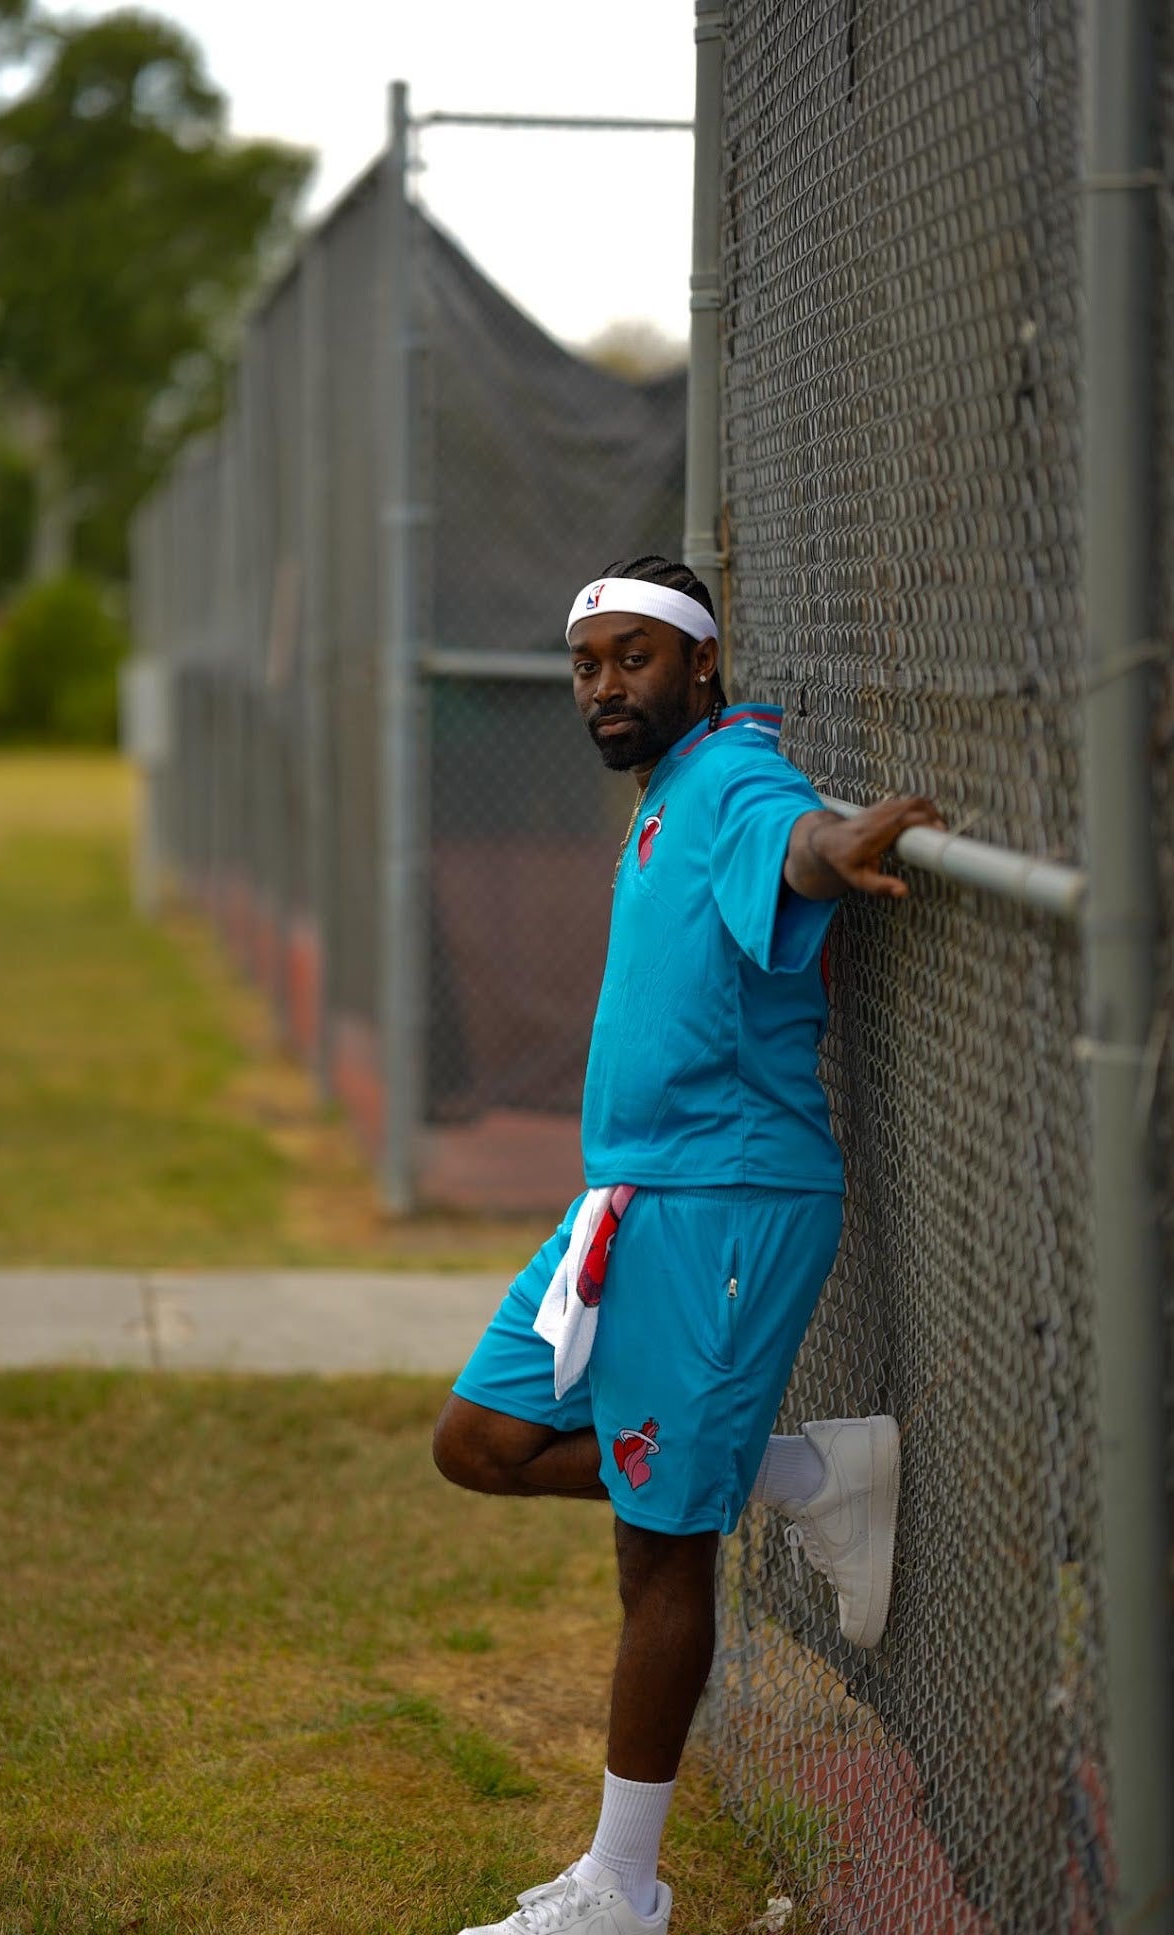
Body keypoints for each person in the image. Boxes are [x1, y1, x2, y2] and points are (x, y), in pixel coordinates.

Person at [432, 557, 944, 1935]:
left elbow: (795, 842)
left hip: (726, 1199)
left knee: (660, 1557)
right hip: (628, 1203)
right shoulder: (664, 799)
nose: (604, 684)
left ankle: (620, 1889)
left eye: (633, 658)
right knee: (476, 1441)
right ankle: (800, 1471)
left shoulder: (728, 780)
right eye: (586, 662)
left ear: (701, 665)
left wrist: (834, 853)